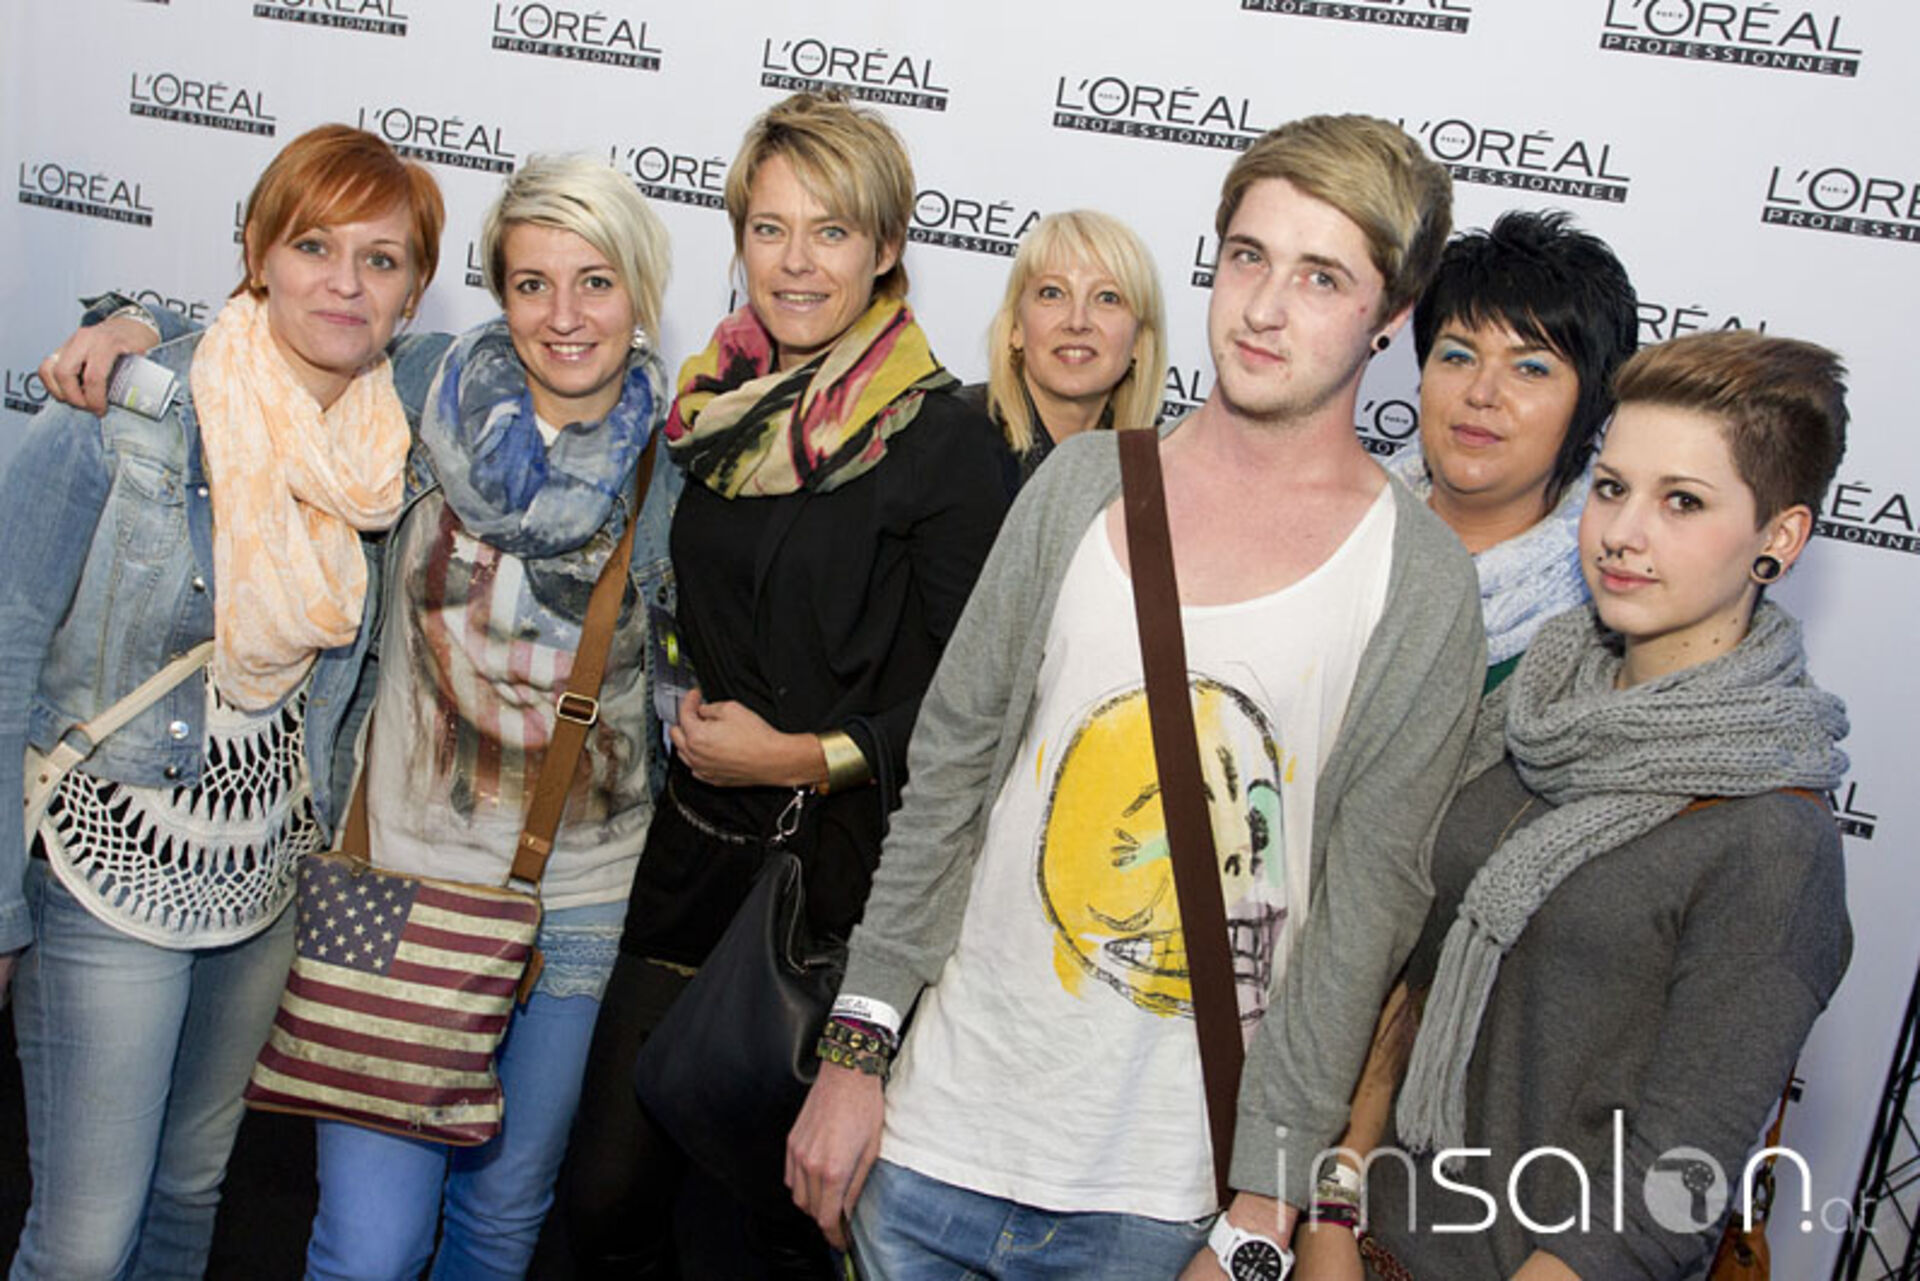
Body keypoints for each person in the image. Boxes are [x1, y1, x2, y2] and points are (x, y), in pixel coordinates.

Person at [784, 113, 1484, 1281]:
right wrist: (855, 1054)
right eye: (1249, 257)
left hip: (1163, 1199)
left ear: (1392, 313)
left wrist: (1263, 1210)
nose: (1265, 308)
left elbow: (1362, 922)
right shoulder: (1079, 485)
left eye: (1321, 277)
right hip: (932, 1138)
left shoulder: (1415, 580)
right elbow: (949, 776)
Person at [562, 91, 1011, 1278]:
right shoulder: (706, 411)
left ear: (887, 247)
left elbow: (976, 702)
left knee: (759, 1233)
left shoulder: (946, 440)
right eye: (770, 229)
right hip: (688, 851)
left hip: (835, 886)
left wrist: (807, 756)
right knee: (605, 1201)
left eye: (832, 231)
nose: (797, 261)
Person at [1302, 329, 1852, 1280]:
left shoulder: (1774, 836)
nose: (1623, 533)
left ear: (1780, 538)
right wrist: (1330, 1215)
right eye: (1611, 487)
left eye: (1682, 501)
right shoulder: (1531, 712)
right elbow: (1405, 991)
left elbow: (1669, 1191)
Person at [0, 123, 444, 1281]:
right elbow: (4, 655)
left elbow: (562, 350)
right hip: (107, 866)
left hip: (266, 874)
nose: (345, 284)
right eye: (313, 246)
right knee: (85, 1243)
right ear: (257, 253)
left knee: (190, 1193)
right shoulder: (126, 410)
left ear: (413, 292)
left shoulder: (389, 445)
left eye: (382, 259)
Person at [295, 153, 679, 1281]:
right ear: (498, 292)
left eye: (595, 282)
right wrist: (128, 335)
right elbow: (257, 358)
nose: (564, 316)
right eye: (531, 283)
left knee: (500, 1227)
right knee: (369, 1248)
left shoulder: (683, 461)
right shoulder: (423, 393)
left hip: (579, 903)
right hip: (398, 879)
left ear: (641, 290)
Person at [1390, 210, 1636, 749]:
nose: (1481, 393)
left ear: (1595, 403)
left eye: (1531, 369)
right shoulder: (1325, 536)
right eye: (1458, 357)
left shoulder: (1618, 618)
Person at [962, 209, 1170, 487]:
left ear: (1140, 341)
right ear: (1016, 328)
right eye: (1052, 293)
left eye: (1107, 298)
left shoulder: (1163, 464)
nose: (1077, 322)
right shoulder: (949, 436)